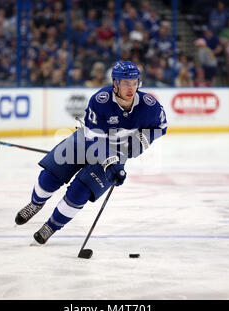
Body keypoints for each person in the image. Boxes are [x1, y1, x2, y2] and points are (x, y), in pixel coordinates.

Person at [15, 61, 168, 244]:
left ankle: (51, 226)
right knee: (51, 175)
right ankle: (36, 204)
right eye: (126, 83)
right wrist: (110, 163)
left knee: (80, 192)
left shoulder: (149, 106)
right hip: (86, 140)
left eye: (134, 82)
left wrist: (139, 144)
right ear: (115, 83)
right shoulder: (100, 100)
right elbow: (95, 138)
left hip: (118, 150)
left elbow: (161, 127)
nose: (131, 88)